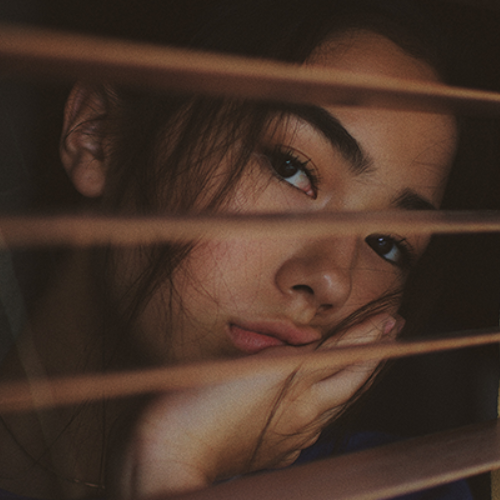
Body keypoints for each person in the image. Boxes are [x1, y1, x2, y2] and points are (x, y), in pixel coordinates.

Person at [0, 0, 474, 498]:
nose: (334, 280)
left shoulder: (407, 486)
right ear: (98, 135)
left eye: (387, 244)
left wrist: (171, 462)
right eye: (292, 168)